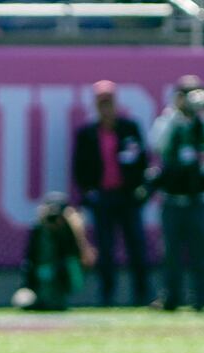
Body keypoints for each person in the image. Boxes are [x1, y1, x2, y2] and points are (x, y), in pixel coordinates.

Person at [150, 75, 204, 311]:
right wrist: (176, 112)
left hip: (198, 198)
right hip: (172, 198)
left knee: (201, 252)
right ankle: (170, 297)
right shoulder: (168, 120)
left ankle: (201, 299)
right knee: (170, 253)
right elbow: (157, 144)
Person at [72, 80, 150, 307]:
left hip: (127, 196)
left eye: (109, 102)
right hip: (102, 197)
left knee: (136, 246)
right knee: (105, 249)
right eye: (101, 102)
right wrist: (89, 192)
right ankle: (107, 295)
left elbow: (141, 160)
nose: (106, 107)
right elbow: (79, 167)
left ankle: (142, 294)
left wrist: (139, 188)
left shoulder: (129, 128)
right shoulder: (87, 133)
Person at [12, 193, 96, 311]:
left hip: (62, 279)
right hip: (39, 280)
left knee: (54, 302)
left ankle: (54, 297)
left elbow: (81, 262)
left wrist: (58, 269)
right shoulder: (39, 231)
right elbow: (30, 259)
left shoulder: (70, 232)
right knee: (23, 299)